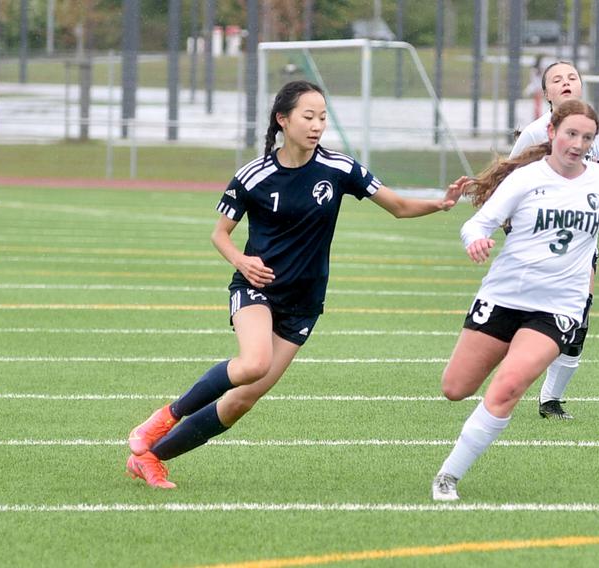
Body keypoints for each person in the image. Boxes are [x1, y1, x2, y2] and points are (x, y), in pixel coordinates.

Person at [125, 80, 462, 489]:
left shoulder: (340, 169)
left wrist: (440, 205)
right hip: (257, 289)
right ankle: (166, 417)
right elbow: (220, 234)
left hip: (305, 302)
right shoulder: (254, 175)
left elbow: (399, 206)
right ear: (283, 120)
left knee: (243, 400)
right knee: (253, 363)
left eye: (322, 117)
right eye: (308, 116)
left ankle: (150, 459)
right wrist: (241, 260)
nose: (317, 124)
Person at [431, 99, 599, 501]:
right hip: (503, 295)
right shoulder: (525, 178)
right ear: (552, 132)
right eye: (571, 133)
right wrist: (477, 240)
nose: (578, 144)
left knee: (508, 386)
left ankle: (448, 476)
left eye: (587, 137)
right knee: (455, 387)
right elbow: (476, 224)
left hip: (558, 307)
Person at [511, 60, 599, 420]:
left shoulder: (598, 134)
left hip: (582, 242)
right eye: (557, 79)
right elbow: (508, 183)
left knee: (578, 320)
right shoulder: (536, 134)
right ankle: (512, 378)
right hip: (539, 242)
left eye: (572, 77)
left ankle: (551, 400)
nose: (566, 82)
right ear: (546, 93)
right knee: (536, 319)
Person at [522, 55, 545, 120]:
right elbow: (538, 78)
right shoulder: (538, 70)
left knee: (537, 103)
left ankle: (537, 115)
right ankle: (537, 115)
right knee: (538, 104)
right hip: (537, 88)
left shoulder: (534, 69)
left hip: (536, 87)